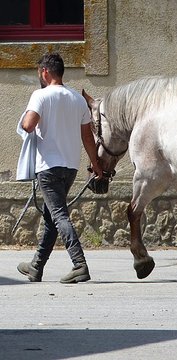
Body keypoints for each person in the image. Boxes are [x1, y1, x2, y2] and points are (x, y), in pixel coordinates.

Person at [17, 52, 102, 283]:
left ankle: (79, 264)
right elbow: (87, 137)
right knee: (51, 217)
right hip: (70, 167)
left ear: (45, 72)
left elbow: (28, 125)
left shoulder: (40, 95)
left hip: (49, 166)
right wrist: (95, 165)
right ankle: (36, 267)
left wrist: (26, 118)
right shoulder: (77, 99)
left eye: (39, 73)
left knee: (58, 216)